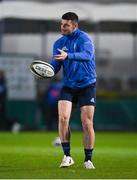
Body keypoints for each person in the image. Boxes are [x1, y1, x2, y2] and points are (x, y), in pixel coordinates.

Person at [50, 12, 96, 169]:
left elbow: (87, 55)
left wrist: (68, 55)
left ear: (75, 26)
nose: (62, 27)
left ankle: (88, 159)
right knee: (63, 118)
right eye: (61, 24)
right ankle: (67, 156)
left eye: (66, 25)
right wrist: (47, 72)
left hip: (87, 85)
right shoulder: (58, 43)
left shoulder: (84, 38)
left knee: (87, 123)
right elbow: (55, 66)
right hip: (68, 85)